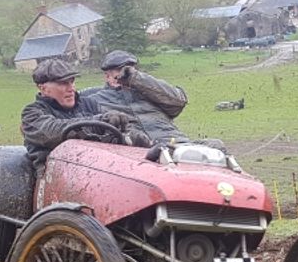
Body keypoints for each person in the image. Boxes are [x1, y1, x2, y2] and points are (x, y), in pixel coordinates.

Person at [20, 58, 149, 175]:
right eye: (63, 83)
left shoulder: (89, 104)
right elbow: (53, 132)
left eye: (72, 82)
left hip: (98, 168)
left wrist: (134, 135)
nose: (71, 89)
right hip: (57, 175)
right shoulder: (32, 114)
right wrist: (98, 122)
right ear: (42, 88)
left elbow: (118, 125)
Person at [82, 50, 190, 145]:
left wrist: (137, 79)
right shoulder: (96, 101)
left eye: (130, 68)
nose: (126, 72)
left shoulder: (149, 92)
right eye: (120, 69)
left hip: (177, 142)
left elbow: (179, 102)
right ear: (108, 76)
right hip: (139, 152)